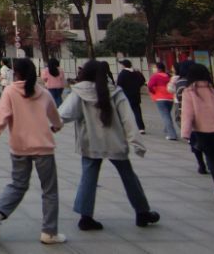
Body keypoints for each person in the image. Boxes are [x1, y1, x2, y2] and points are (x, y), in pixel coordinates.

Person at [59, 60, 159, 232]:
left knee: (88, 177)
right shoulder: (115, 92)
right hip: (115, 141)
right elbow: (128, 119)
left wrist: (50, 126)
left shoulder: (79, 92)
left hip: (90, 141)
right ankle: (142, 212)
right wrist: (136, 142)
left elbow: (64, 114)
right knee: (129, 176)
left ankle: (85, 217)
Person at [0, 58, 66, 245]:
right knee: (49, 191)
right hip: (43, 147)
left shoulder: (10, 92)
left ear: (16, 73)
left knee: (18, 184)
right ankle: (49, 232)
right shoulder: (43, 93)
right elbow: (55, 117)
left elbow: (1, 117)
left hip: (19, 146)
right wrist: (57, 126)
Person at [180, 64, 214, 202]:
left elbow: (187, 114)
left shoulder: (189, 91)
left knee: (211, 158)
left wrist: (185, 132)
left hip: (201, 131)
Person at [170, 60, 208, 174]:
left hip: (192, 116)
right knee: (198, 142)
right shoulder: (184, 83)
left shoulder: (186, 82)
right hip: (193, 117)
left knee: (199, 142)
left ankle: (204, 164)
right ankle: (202, 164)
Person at [146, 62, 177, 140]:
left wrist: (153, 92)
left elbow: (149, 86)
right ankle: (167, 129)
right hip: (170, 98)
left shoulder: (155, 76)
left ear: (158, 68)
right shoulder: (168, 76)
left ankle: (172, 134)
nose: (153, 69)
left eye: (154, 67)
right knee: (167, 115)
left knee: (165, 116)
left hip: (160, 98)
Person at [115, 60, 146, 133]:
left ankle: (127, 128)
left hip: (126, 95)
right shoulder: (136, 72)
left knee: (126, 112)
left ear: (124, 65)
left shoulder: (122, 74)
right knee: (137, 111)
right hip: (136, 95)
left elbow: (119, 84)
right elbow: (142, 81)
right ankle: (141, 128)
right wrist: (137, 87)